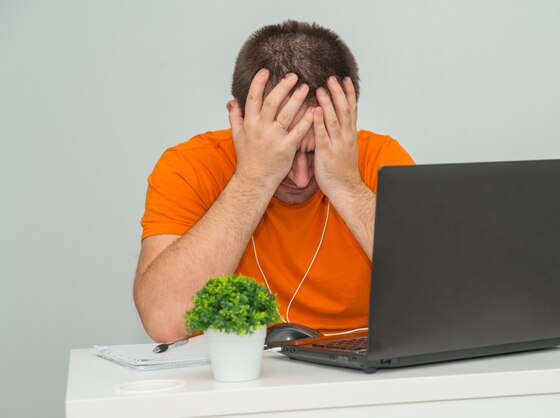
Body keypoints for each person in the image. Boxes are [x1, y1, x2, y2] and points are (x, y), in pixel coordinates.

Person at [134, 20, 414, 342]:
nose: (301, 176)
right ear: (239, 118)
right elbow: (164, 321)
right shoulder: (188, 166)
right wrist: (254, 178)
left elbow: (437, 298)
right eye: (282, 153)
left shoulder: (380, 159)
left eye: (312, 152)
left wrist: (346, 184)